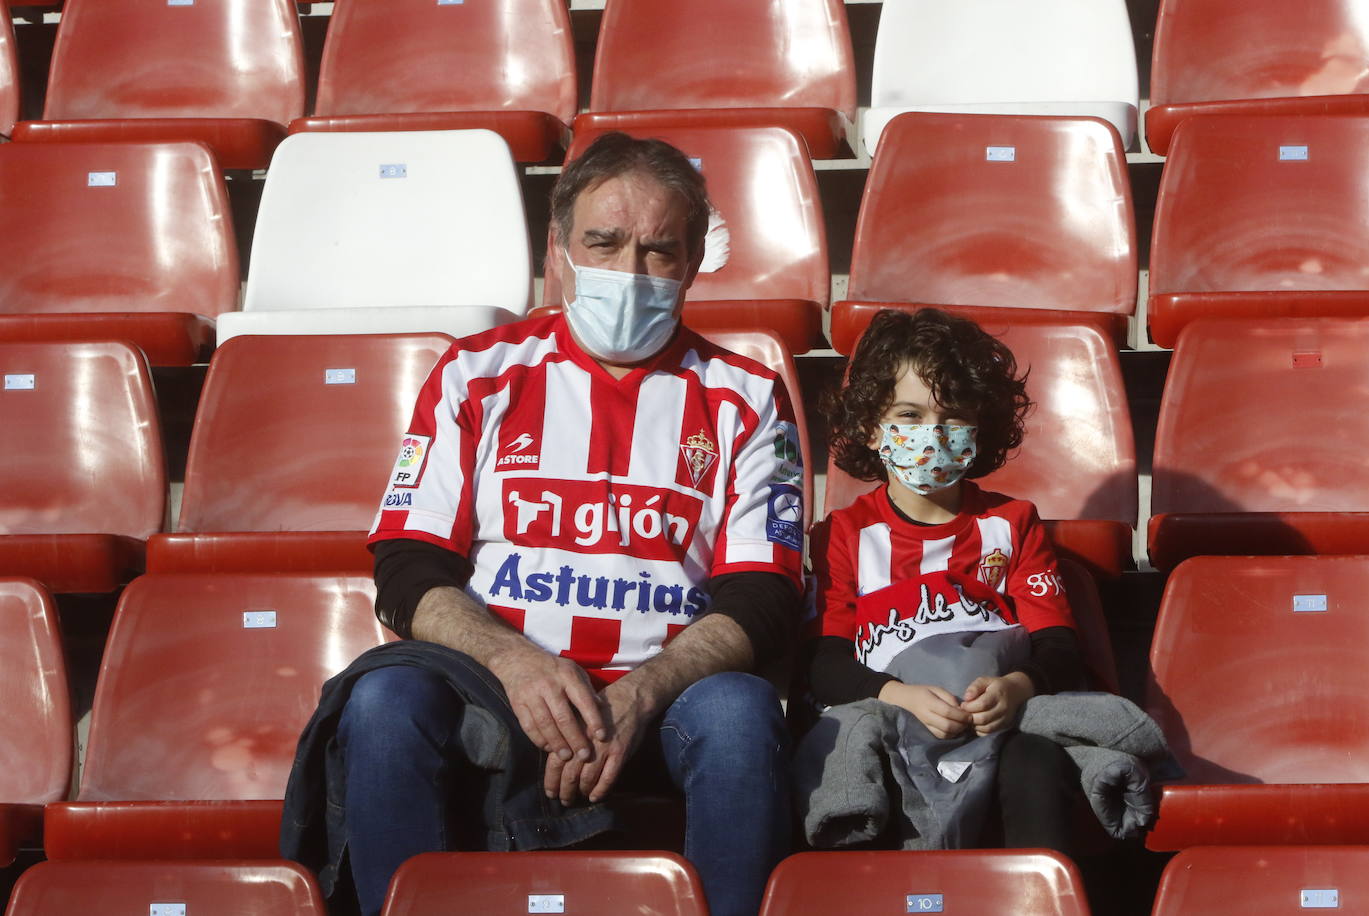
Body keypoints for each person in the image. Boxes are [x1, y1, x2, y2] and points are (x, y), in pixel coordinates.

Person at [281, 133, 805, 916]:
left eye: (658, 250)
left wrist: (641, 692)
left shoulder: (748, 397)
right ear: (557, 248)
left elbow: (763, 596)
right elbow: (407, 564)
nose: (628, 273)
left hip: (665, 702)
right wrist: (516, 664)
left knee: (739, 714)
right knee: (384, 703)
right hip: (498, 688)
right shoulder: (474, 374)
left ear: (694, 262)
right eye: (603, 242)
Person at [800, 306, 1084, 852]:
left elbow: (1060, 646)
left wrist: (1016, 687)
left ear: (981, 427)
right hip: (889, 727)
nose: (931, 435)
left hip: (998, 735)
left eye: (952, 417)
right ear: (870, 426)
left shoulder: (1013, 523)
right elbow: (826, 665)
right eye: (908, 415)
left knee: (1037, 760)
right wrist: (898, 696)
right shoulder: (842, 533)